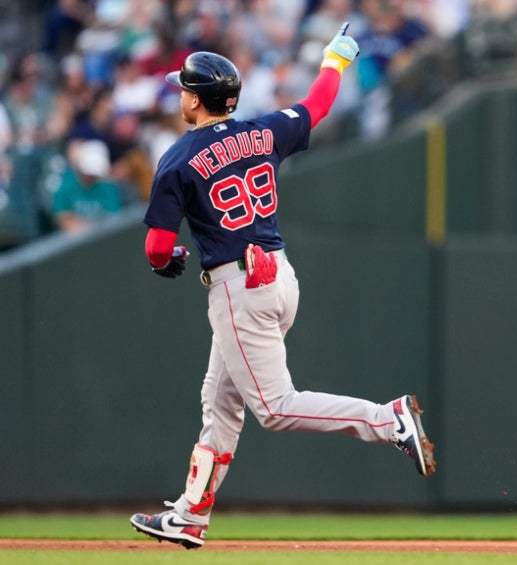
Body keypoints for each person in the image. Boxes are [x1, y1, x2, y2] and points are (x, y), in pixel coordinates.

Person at [128, 24, 436, 550]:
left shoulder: (179, 158)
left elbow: (157, 247)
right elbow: (317, 104)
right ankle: (190, 515)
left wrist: (170, 258)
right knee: (220, 401)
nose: (179, 94)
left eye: (184, 88)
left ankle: (388, 421)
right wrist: (335, 58)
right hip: (278, 275)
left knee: (273, 407)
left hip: (238, 287)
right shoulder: (264, 131)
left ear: (199, 99)